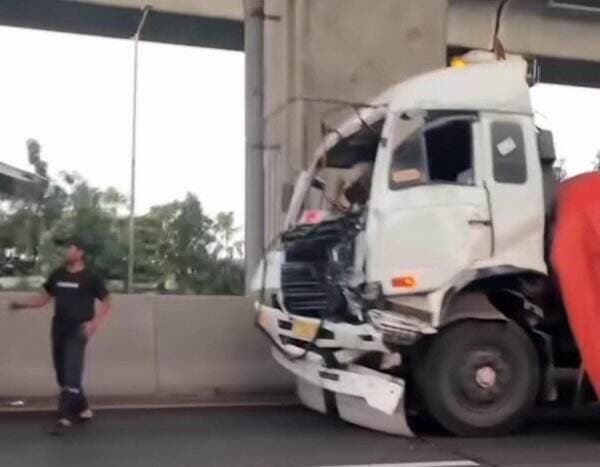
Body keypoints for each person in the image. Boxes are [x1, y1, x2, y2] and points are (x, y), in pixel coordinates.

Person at [10, 237, 111, 435]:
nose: (65, 252)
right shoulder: (58, 275)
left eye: (69, 248)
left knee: (72, 371)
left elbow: (107, 302)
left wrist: (94, 323)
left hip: (79, 328)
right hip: (59, 327)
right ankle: (83, 409)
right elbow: (43, 299)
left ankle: (63, 418)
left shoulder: (91, 278)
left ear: (80, 252)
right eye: (64, 249)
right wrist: (21, 305)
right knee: (62, 374)